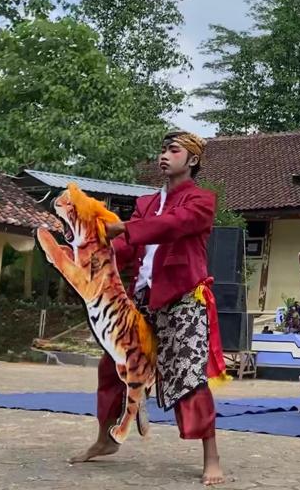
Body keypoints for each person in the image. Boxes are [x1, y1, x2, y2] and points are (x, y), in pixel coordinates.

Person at [71, 130, 226, 486]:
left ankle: (211, 455)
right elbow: (126, 249)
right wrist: (92, 255)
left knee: (189, 375)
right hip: (141, 299)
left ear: (193, 160)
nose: (164, 155)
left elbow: (173, 226)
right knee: (112, 367)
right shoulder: (145, 204)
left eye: (174, 151)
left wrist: (126, 227)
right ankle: (105, 439)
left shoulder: (201, 201)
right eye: (163, 150)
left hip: (184, 299)